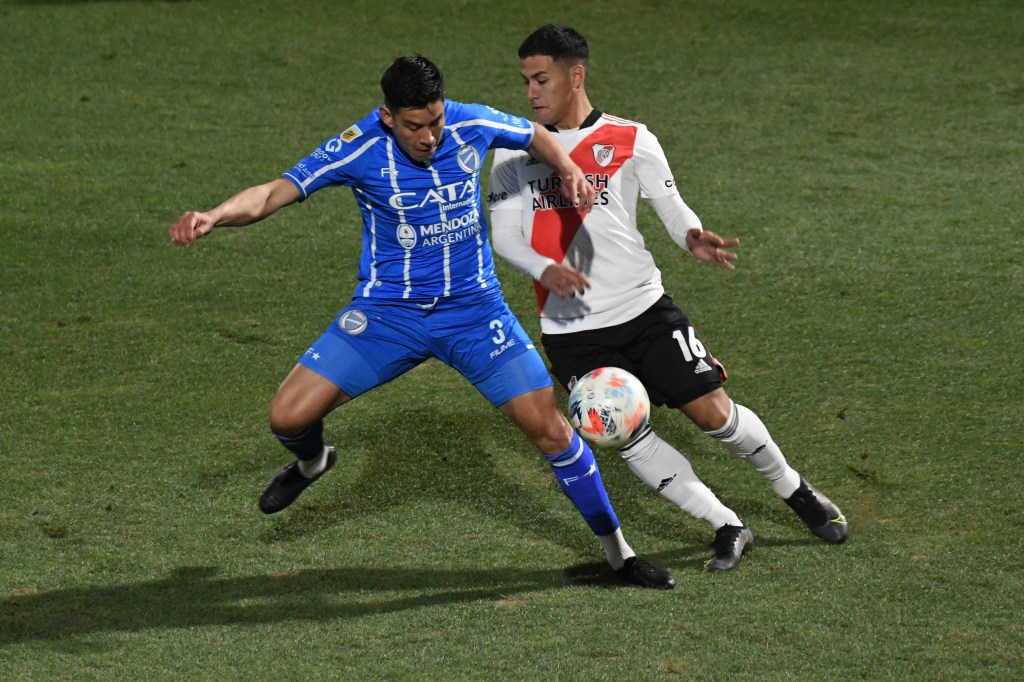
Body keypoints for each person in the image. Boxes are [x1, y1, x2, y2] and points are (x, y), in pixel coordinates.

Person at [169, 55, 675, 589]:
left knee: (553, 432)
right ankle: (313, 463)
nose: (429, 137)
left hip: (475, 313)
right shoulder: (359, 146)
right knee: (287, 418)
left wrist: (568, 169)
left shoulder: (470, 121)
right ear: (388, 116)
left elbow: (534, 135)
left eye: (435, 121)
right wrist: (214, 216)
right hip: (389, 315)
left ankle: (619, 557)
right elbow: (275, 192)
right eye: (414, 126)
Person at [488, 25, 848, 572]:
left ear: (575, 75)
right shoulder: (512, 150)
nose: (531, 92)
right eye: (525, 82)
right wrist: (546, 268)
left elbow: (674, 210)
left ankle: (794, 489)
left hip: (643, 310)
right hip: (572, 332)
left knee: (714, 414)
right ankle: (726, 524)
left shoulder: (631, 138)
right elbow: (505, 236)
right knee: (626, 434)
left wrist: (692, 236)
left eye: (542, 79)